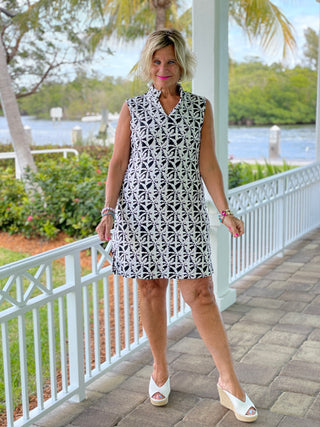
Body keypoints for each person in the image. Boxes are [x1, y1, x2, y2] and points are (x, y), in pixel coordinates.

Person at [96, 29, 257, 423]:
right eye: (156, 61)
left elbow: (209, 165)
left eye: (170, 61)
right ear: (147, 65)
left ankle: (229, 383)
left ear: (182, 64)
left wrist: (224, 211)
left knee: (200, 294)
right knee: (150, 290)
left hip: (185, 215)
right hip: (139, 215)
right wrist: (108, 212)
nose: (163, 69)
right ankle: (160, 370)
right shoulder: (132, 107)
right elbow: (118, 163)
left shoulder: (200, 107)